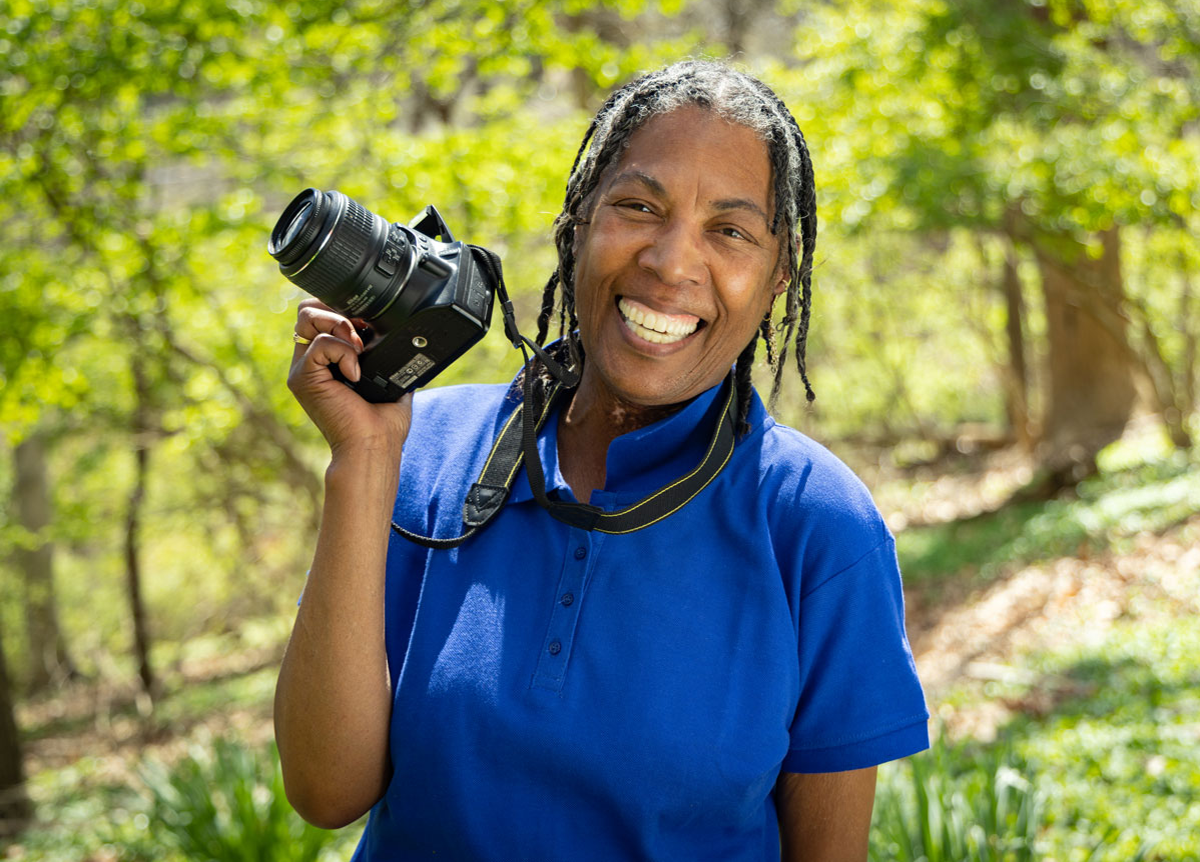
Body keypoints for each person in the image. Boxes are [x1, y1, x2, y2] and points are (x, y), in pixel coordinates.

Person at [274, 60, 928, 861]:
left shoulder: (815, 523)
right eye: (637, 207)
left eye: (729, 231)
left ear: (778, 273)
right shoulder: (422, 450)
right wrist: (365, 460)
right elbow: (326, 791)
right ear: (578, 220)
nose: (670, 263)